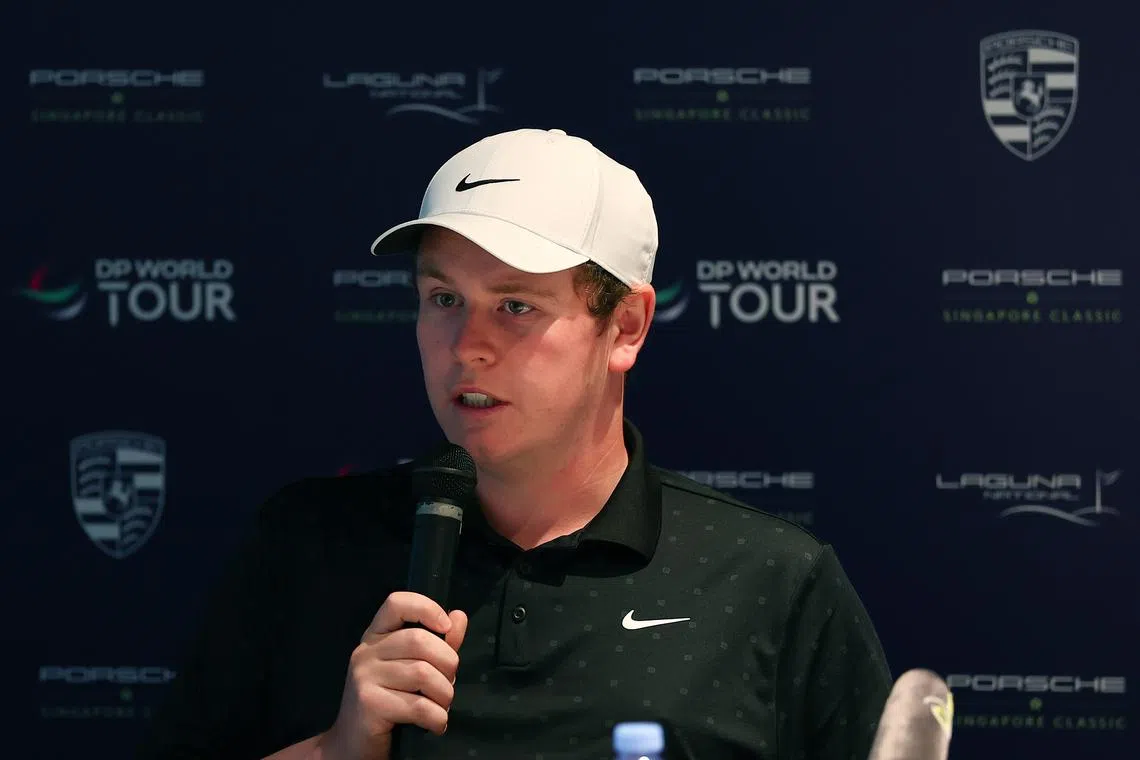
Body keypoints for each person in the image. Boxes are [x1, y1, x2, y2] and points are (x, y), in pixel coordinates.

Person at [136, 127, 893, 760]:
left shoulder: (772, 580)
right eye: (443, 299)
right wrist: (339, 749)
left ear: (625, 326)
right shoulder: (306, 543)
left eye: (517, 306)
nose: (468, 345)